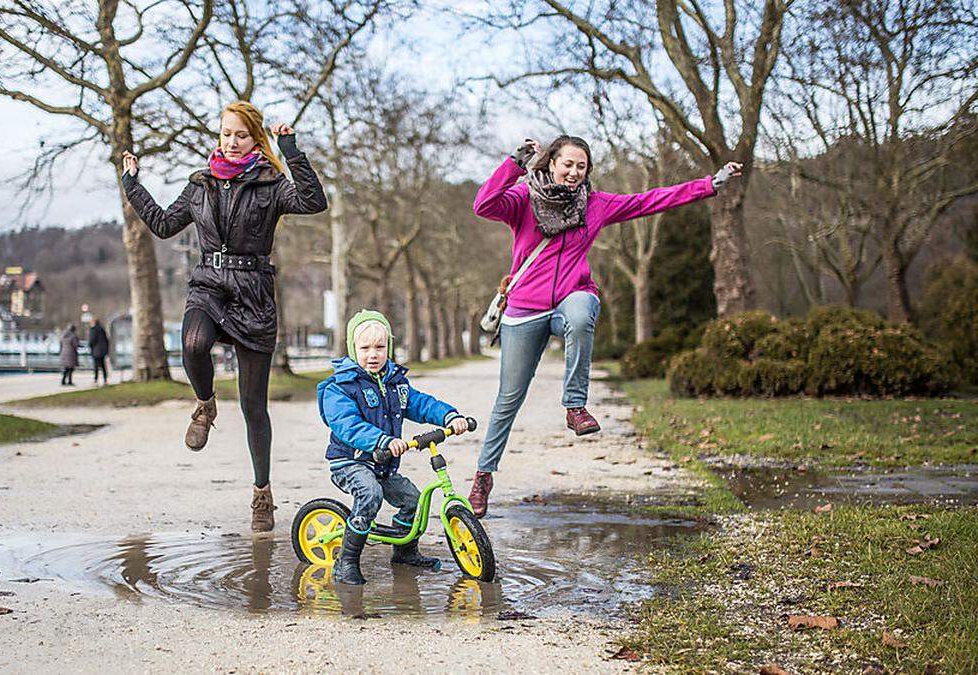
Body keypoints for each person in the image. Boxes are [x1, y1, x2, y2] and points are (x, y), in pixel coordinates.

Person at [467, 135, 742, 518]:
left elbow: (651, 200)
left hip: (572, 295)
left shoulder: (595, 205)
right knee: (508, 400)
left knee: (582, 314)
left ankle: (575, 406)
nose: (574, 172)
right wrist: (514, 163)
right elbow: (483, 204)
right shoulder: (523, 199)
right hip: (525, 308)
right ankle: (483, 475)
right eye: (567, 164)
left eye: (581, 166)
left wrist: (709, 186)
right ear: (550, 163)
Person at [120, 100, 327, 532]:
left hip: (254, 294)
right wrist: (133, 184)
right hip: (210, 285)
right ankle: (205, 406)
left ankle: (262, 494)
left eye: (240, 135)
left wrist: (291, 150)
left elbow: (313, 200)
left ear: (255, 139)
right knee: (193, 344)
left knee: (254, 407)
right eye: (225, 134)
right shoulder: (200, 184)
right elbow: (161, 224)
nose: (230, 143)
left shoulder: (272, 186)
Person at [317, 309, 471, 585]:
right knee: (370, 494)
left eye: (380, 347)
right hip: (350, 462)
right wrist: (382, 441)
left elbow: (421, 404)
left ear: (389, 346)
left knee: (412, 499)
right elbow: (347, 425)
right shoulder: (339, 388)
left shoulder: (395, 382)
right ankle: (346, 562)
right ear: (353, 348)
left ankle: (404, 552)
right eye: (365, 348)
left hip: (383, 463)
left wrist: (450, 416)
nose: (373, 354)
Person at [88, 318, 109, 385]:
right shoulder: (102, 330)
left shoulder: (93, 330)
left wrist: (90, 346)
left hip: (96, 350)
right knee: (103, 366)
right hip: (102, 351)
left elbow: (92, 340)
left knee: (96, 366)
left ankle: (96, 380)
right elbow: (106, 340)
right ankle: (105, 380)